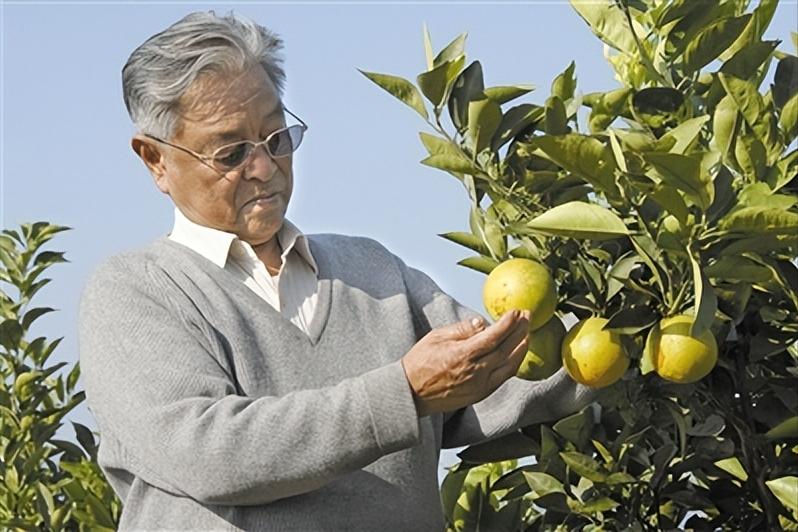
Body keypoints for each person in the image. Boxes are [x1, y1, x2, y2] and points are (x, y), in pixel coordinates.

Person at [78, 11, 594, 531]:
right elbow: (209, 453)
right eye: (231, 152)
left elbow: (501, 371)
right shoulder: (135, 293)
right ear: (155, 161)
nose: (264, 167)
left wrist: (637, 324)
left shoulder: (371, 270)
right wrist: (404, 393)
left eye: (276, 137)